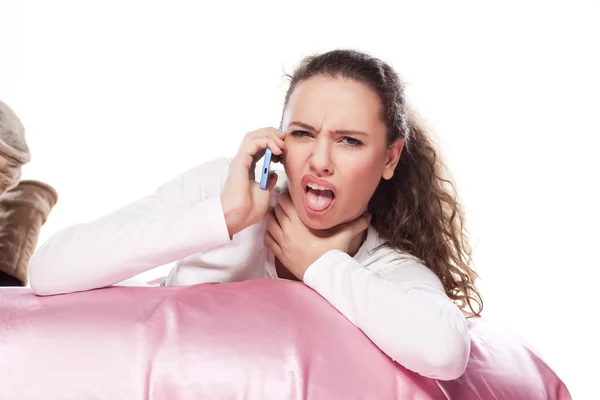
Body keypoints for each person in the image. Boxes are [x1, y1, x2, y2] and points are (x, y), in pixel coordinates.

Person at [28, 49, 483, 381]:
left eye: (350, 141)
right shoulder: (225, 189)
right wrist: (222, 217)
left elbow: (444, 351)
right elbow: (49, 269)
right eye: (303, 133)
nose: (320, 160)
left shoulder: (386, 267)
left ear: (390, 158)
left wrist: (319, 265)